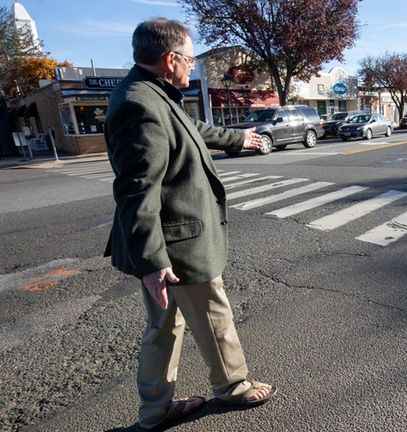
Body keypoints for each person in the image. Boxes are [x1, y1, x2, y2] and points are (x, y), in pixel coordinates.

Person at [104, 18, 276, 431]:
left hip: (168, 242)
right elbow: (136, 189)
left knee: (164, 326)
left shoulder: (153, 95)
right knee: (212, 312)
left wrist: (240, 139)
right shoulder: (140, 105)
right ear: (170, 59)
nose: (191, 65)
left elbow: (192, 130)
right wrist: (151, 262)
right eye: (189, 58)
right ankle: (232, 386)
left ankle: (155, 410)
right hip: (175, 244)